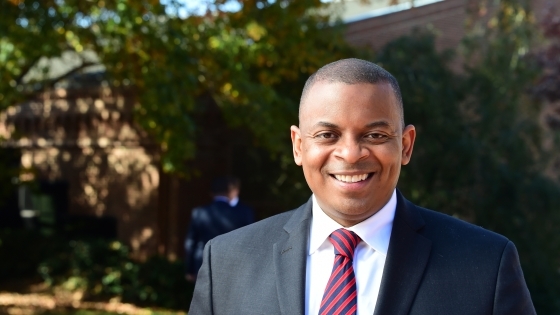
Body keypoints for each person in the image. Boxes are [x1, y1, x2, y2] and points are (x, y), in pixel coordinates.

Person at [189, 59, 536, 314]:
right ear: (298, 146)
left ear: (406, 145)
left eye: (375, 135)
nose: (351, 154)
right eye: (328, 135)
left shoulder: (486, 266)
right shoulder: (227, 264)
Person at [184, 176, 255, 281]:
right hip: (234, 266)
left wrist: (190, 270)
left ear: (211, 193)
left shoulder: (199, 213)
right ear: (229, 192)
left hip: (204, 264)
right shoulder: (244, 213)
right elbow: (251, 241)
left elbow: (190, 243)